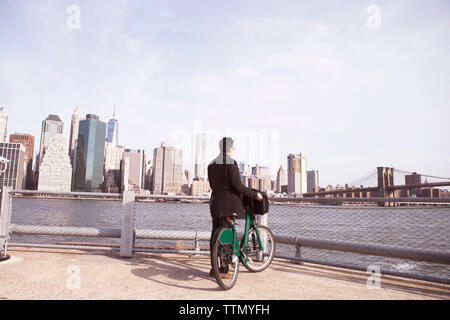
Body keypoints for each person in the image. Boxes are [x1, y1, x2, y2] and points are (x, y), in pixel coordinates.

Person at [207, 137, 263, 279]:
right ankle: (224, 271)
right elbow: (237, 186)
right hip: (229, 204)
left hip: (215, 203)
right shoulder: (231, 163)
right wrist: (255, 194)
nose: (234, 149)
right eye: (233, 147)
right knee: (226, 237)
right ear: (230, 148)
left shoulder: (211, 164)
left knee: (215, 236)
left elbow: (213, 186)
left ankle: (214, 269)